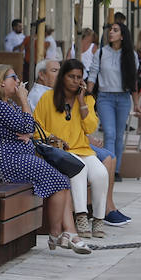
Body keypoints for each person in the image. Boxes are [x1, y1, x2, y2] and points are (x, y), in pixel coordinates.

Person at [0, 64, 90, 253]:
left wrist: (26, 132)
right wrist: (24, 100)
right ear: (0, 83)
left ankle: (64, 233)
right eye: (13, 77)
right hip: (2, 162)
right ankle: (60, 234)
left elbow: (27, 128)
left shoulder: (7, 104)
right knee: (59, 180)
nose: (18, 81)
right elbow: (27, 126)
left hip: (13, 157)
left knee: (62, 179)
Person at [34, 60, 113, 239]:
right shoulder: (48, 98)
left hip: (83, 149)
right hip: (60, 152)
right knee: (78, 169)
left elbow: (91, 128)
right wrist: (51, 137)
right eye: (71, 76)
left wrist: (81, 102)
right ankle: (81, 217)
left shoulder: (87, 99)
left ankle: (99, 219)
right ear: (63, 76)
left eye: (79, 77)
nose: (75, 81)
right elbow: (36, 126)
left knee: (101, 173)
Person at [91, 22, 138, 178]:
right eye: (110, 30)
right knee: (109, 134)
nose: (111, 32)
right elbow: (92, 75)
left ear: (122, 35)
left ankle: (116, 170)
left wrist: (136, 103)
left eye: (115, 30)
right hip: (105, 98)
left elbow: (133, 81)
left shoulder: (131, 55)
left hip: (124, 98)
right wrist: (85, 98)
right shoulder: (101, 52)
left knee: (119, 135)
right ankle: (108, 171)